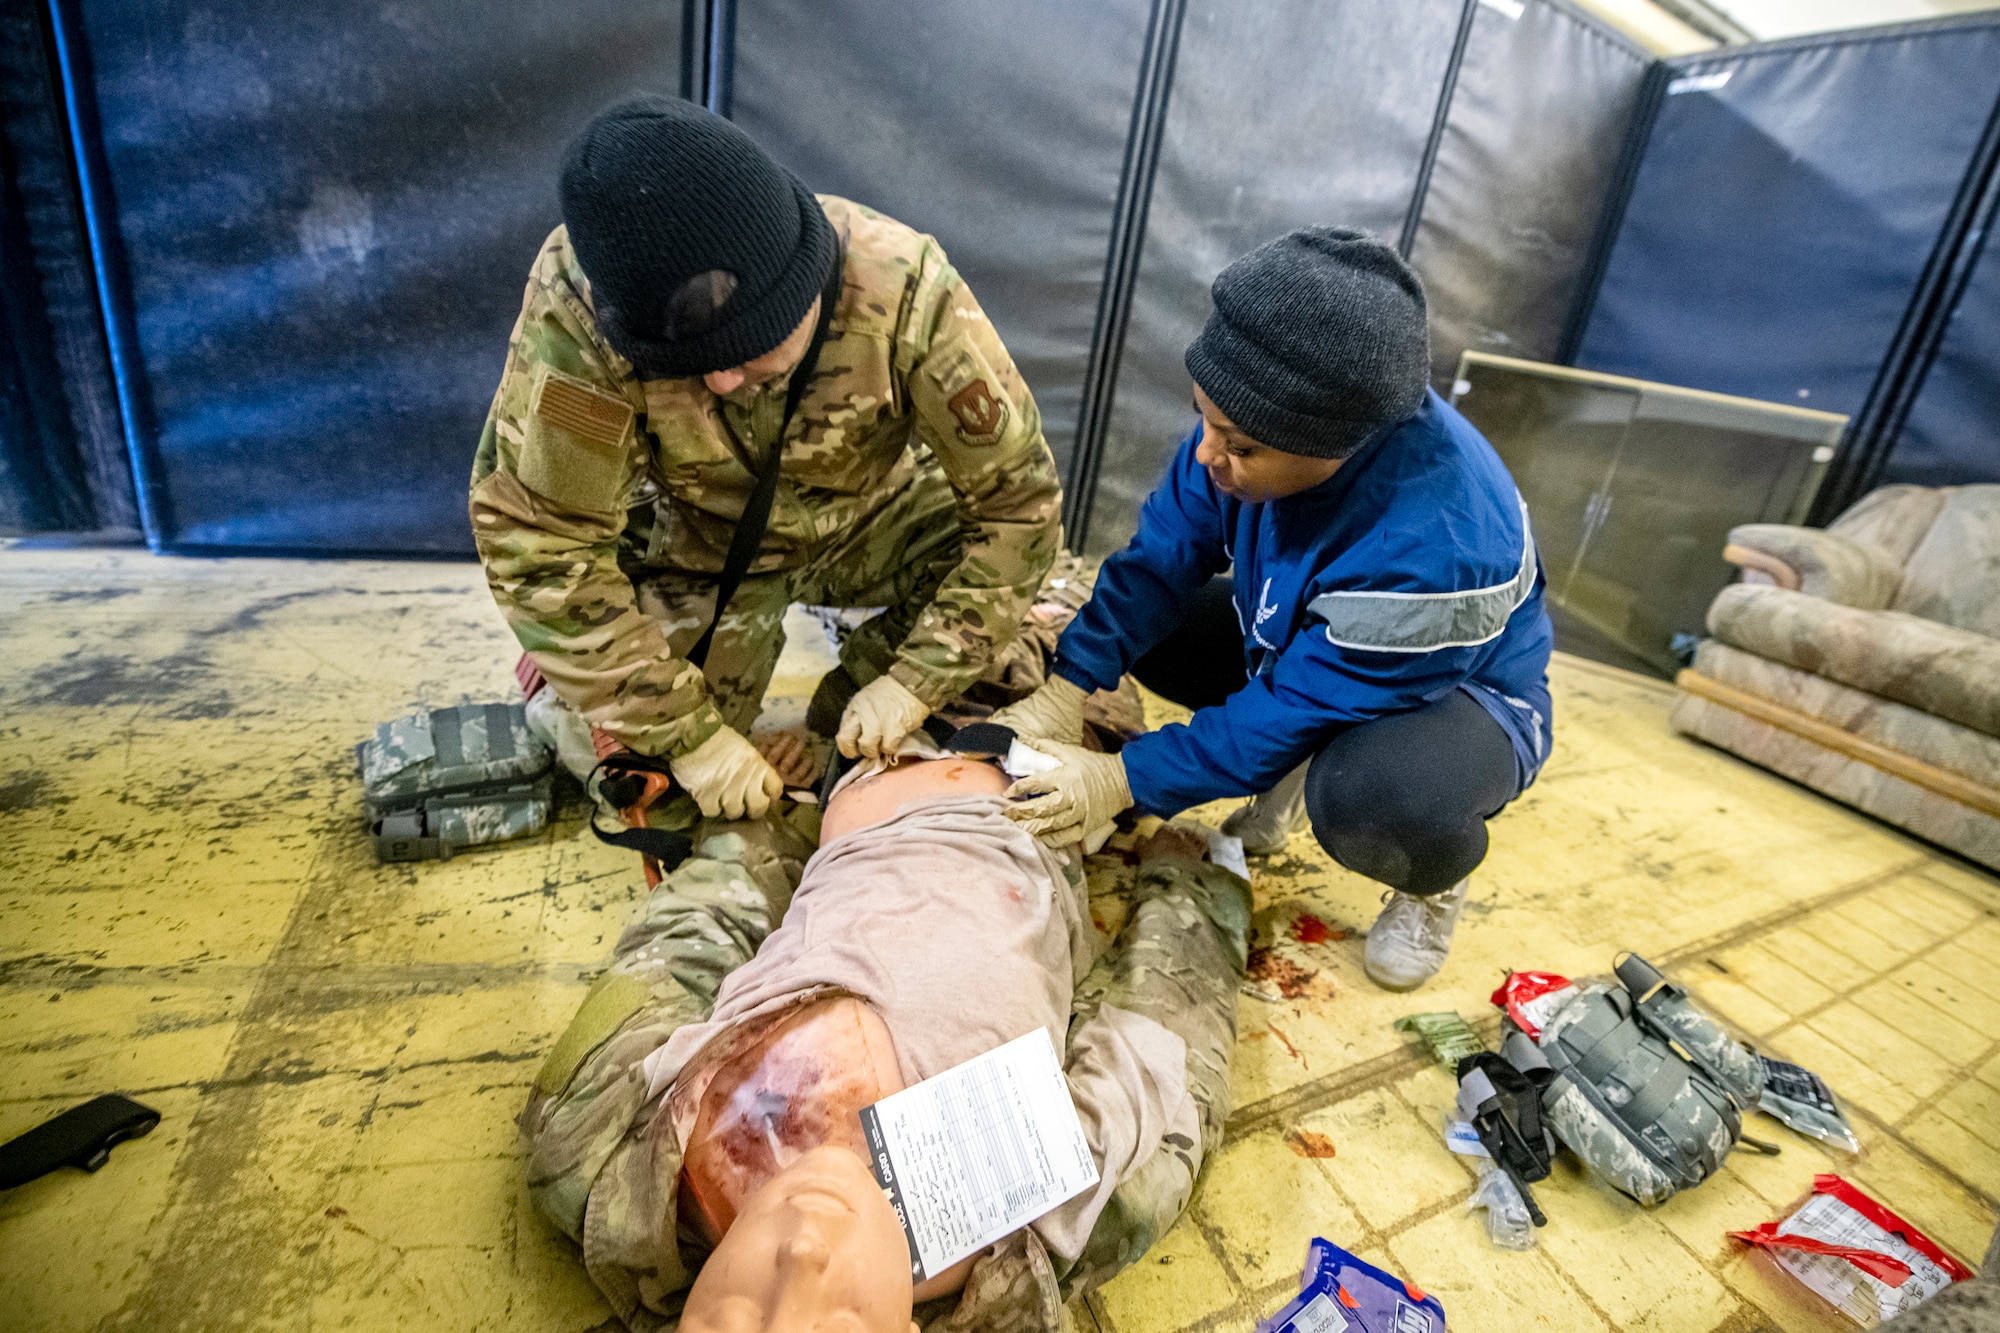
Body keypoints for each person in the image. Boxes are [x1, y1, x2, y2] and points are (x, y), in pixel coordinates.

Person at [471, 94, 1062, 823]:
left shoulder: (905, 289)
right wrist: (687, 736)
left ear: (804, 284)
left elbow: (1020, 506)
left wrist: (911, 681)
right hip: (697, 544)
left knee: (1025, 645)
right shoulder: (583, 307)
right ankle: (564, 687)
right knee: (654, 779)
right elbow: (541, 545)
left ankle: (847, 706)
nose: (719, 381)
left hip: (867, 518)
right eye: (686, 365)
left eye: (744, 351)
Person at [992, 227, 1554, 993]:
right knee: (1153, 632)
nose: (1207, 454)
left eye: (1241, 446)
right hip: (1321, 641)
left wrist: (1122, 779)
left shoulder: (1438, 546)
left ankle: (1430, 880)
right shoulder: (1250, 424)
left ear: (1337, 446)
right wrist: (1070, 683)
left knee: (1369, 799)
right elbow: (1160, 558)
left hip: (1461, 695)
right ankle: (1282, 772)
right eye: (1204, 418)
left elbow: (1297, 701)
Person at [518, 746, 1249, 1333]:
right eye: (836, 1324)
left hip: (858, 769)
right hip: (1049, 787)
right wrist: (1191, 882)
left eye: (735, 1321)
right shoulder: (1019, 1228)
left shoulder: (606, 1147)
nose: (802, 1253)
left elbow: (691, 931)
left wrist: (762, 809)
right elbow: (1167, 1035)